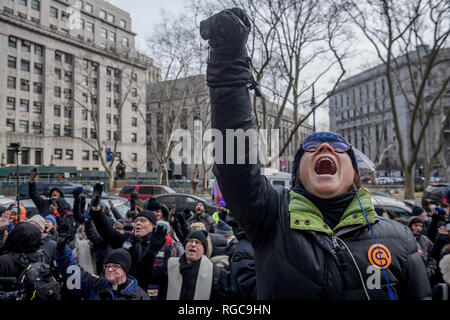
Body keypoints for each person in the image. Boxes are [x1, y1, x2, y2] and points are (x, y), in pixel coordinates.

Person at [200, 7, 431, 300]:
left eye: (337, 148)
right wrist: (229, 64)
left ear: (354, 174)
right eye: (311, 147)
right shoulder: (271, 220)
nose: (324, 148)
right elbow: (235, 163)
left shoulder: (399, 239)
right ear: (298, 174)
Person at [144, 230, 230, 300]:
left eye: (198, 242)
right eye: (190, 241)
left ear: (204, 250)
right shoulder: (169, 265)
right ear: (185, 246)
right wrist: (151, 251)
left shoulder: (215, 273)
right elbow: (145, 276)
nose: (193, 244)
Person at [55, 244, 150, 300]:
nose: (109, 269)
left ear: (125, 269)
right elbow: (73, 275)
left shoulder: (139, 296)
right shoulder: (96, 285)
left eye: (115, 266)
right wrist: (62, 251)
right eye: (107, 266)